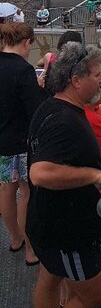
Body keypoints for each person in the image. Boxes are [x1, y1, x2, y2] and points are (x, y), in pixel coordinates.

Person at [26, 43, 101, 308]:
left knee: (49, 278)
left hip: (44, 222)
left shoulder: (50, 107)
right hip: (68, 230)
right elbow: (40, 172)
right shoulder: (65, 122)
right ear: (76, 80)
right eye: (96, 76)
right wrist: (94, 174)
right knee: (96, 293)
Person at [0, 22, 46, 265]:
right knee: (26, 192)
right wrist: (40, 88)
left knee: (7, 189)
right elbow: (35, 108)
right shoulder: (23, 70)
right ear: (26, 43)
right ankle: (31, 250)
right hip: (22, 141)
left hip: (2, 141)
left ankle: (15, 239)